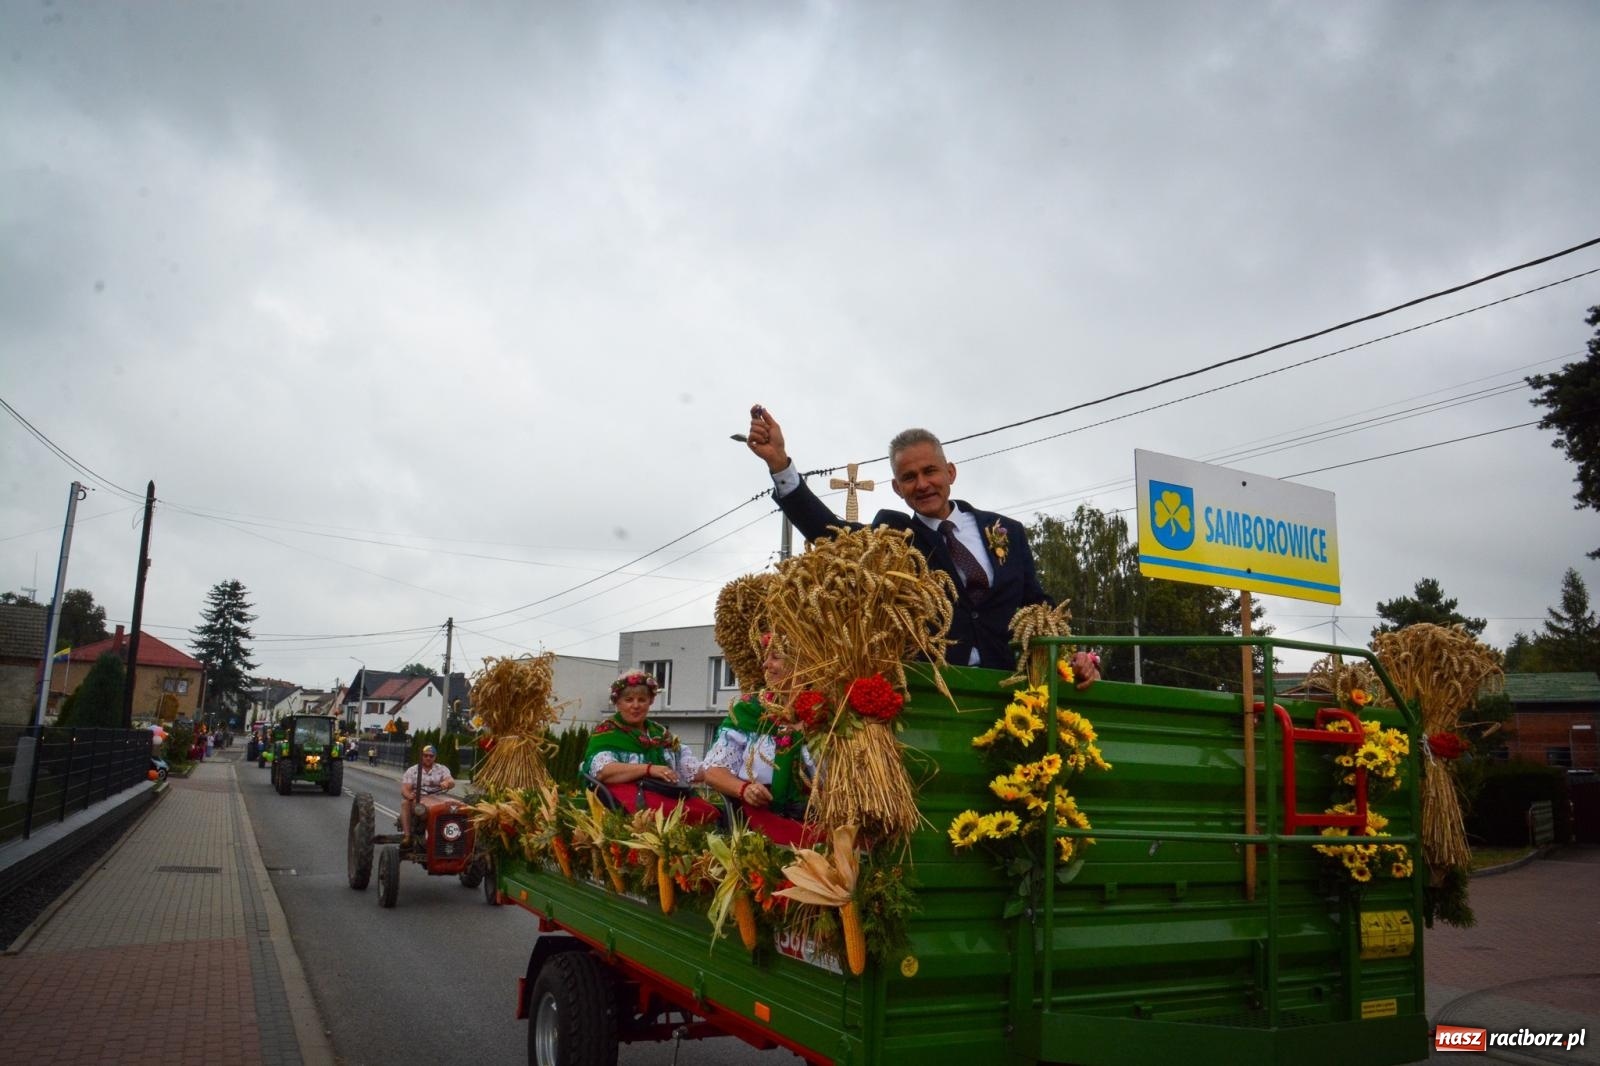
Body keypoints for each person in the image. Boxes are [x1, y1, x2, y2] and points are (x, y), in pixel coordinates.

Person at [746, 404, 1100, 683]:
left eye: (930, 471)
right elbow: (829, 533)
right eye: (909, 478)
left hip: (1011, 691)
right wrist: (780, 465)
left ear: (950, 473)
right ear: (898, 489)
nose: (922, 484)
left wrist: (1075, 657)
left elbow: (1038, 608)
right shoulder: (893, 538)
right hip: (935, 694)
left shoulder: (1008, 530)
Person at [701, 636, 821, 847]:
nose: (766, 664)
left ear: (801, 663)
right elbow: (712, 771)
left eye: (775, 657)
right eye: (766, 657)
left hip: (817, 828)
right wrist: (744, 789)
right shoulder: (749, 711)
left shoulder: (828, 715)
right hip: (755, 828)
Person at [581, 671, 719, 825]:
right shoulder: (607, 731)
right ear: (618, 703)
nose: (636, 706)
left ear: (650, 701)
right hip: (624, 797)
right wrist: (649, 769)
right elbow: (603, 771)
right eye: (628, 700)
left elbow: (687, 767)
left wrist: (717, 771)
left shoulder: (660, 733)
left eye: (642, 700)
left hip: (662, 792)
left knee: (709, 812)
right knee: (666, 813)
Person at [400, 744, 455, 840]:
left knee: (453, 806)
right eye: (425, 755)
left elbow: (451, 781)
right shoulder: (412, 771)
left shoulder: (442, 769)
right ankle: (407, 835)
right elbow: (405, 788)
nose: (428, 758)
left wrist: (446, 783)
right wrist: (410, 796)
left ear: (435, 757)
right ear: (421, 756)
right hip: (419, 799)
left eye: (431, 756)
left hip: (437, 798)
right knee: (405, 803)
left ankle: (448, 834)